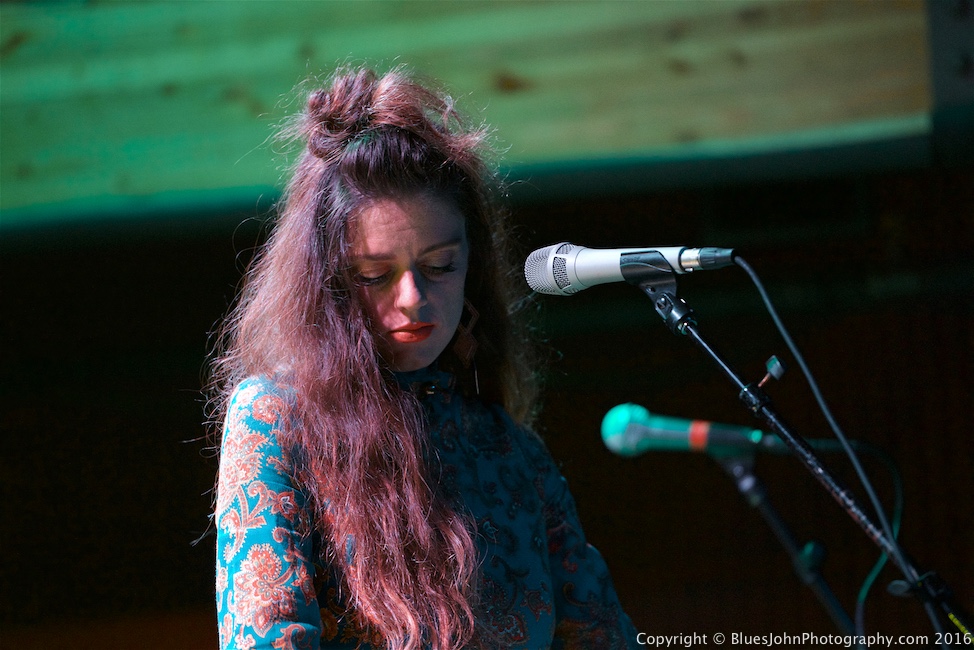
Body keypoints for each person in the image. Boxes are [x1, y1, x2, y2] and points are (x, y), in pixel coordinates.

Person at [209, 66, 638, 650]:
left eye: (440, 267)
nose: (413, 298)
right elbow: (268, 635)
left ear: (473, 269)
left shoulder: (511, 451)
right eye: (374, 274)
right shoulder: (277, 418)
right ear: (329, 283)